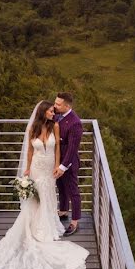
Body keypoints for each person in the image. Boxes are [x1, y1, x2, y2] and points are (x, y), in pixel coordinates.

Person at [0, 101, 88, 269]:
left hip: (49, 169)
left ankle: (48, 222)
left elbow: (58, 149)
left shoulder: (54, 126)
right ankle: (34, 227)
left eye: (54, 110)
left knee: (48, 196)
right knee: (35, 200)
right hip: (37, 168)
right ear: (42, 112)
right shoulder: (34, 128)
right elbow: (30, 150)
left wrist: (57, 166)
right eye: (50, 110)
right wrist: (28, 169)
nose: (53, 113)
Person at [53, 92, 82, 236]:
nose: (55, 105)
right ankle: (63, 211)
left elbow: (72, 149)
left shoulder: (75, 123)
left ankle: (75, 222)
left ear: (67, 106)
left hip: (68, 164)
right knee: (61, 188)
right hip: (57, 161)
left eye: (58, 104)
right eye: (55, 102)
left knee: (73, 192)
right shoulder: (58, 115)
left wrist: (63, 167)